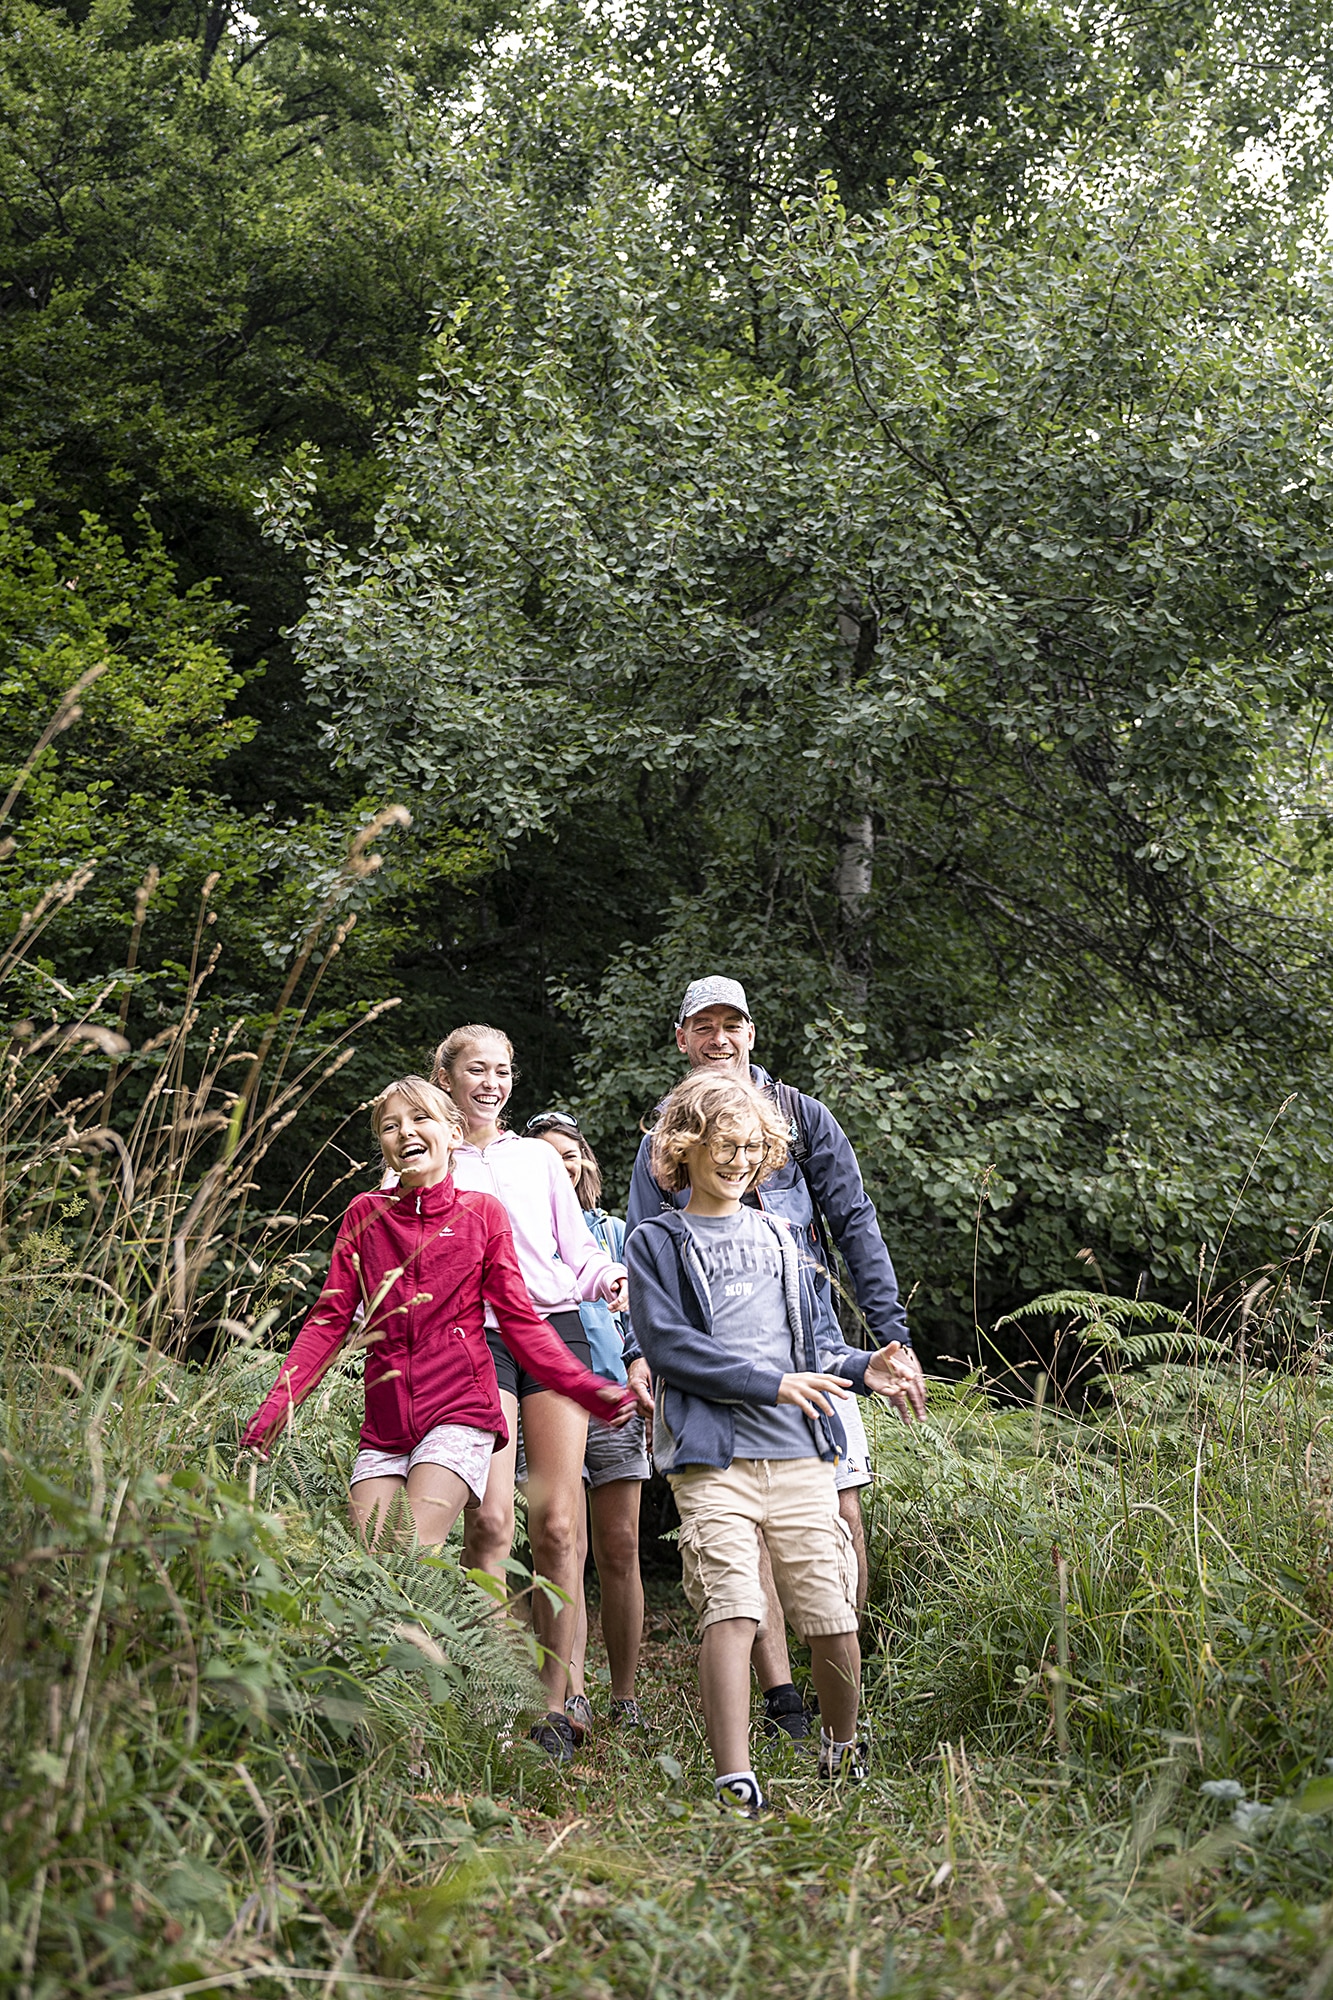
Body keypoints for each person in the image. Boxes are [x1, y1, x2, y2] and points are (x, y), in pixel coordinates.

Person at [624, 976, 927, 1744]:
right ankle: (780, 1697)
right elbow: (644, 1255)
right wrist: (638, 1353)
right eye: (704, 1027)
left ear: (751, 1033)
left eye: (733, 1024)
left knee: (836, 1513)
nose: (719, 1039)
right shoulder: (667, 1133)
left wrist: (885, 1342)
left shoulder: (801, 1117)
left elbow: (852, 1219)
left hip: (809, 1345)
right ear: (683, 1038)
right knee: (736, 1539)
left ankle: (841, 1701)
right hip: (714, 1371)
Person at [238, 1077, 632, 1565]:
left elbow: (521, 1322)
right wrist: (269, 1418)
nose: (405, 1133)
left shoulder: (482, 1214)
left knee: (405, 1555)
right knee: (371, 1572)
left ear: (453, 1134)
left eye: (420, 1119)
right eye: (390, 1126)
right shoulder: (365, 1215)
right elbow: (328, 1323)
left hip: (459, 1413)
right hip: (384, 1428)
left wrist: (587, 1388)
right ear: (382, 1144)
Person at [429, 1026, 651, 1762]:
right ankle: (491, 1695)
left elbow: (575, 1248)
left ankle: (555, 1707)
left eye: (502, 1070)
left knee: (557, 1526)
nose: (490, 1083)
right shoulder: (429, 1155)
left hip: (553, 1329)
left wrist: (605, 1279)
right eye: (476, 1071)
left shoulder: (534, 1159)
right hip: (471, 1337)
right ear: (448, 1076)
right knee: (490, 1523)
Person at [528, 1110, 649, 1733]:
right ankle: (569, 1688)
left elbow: (634, 1314)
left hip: (614, 1395)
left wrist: (637, 1364)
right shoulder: (520, 1228)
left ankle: (624, 1695)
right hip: (548, 1392)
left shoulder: (610, 1231)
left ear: (586, 1164)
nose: (563, 1165)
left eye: (571, 1155)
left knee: (621, 1546)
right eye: (548, 1155)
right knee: (562, 1542)